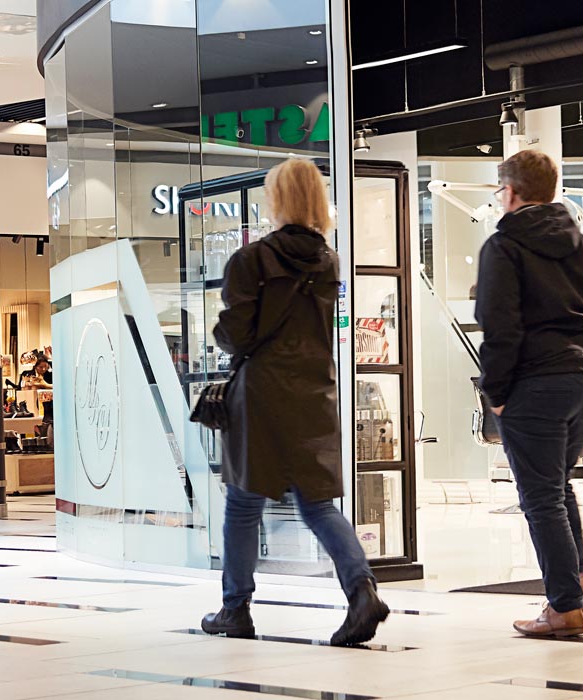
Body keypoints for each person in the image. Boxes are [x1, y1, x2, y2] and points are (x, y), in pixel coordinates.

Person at [200, 158, 390, 647]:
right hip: (314, 391)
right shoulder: (328, 261)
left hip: (261, 392)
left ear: (277, 199)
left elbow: (235, 332)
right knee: (319, 504)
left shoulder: (251, 260)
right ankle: (361, 589)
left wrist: (225, 332)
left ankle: (235, 607)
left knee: (243, 504)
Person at [473, 150, 583, 638]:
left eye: (500, 192)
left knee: (540, 497)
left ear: (512, 192)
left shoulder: (504, 246)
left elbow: (499, 327)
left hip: (537, 382)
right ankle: (574, 583)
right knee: (557, 487)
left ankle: (563, 606)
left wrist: (495, 393)